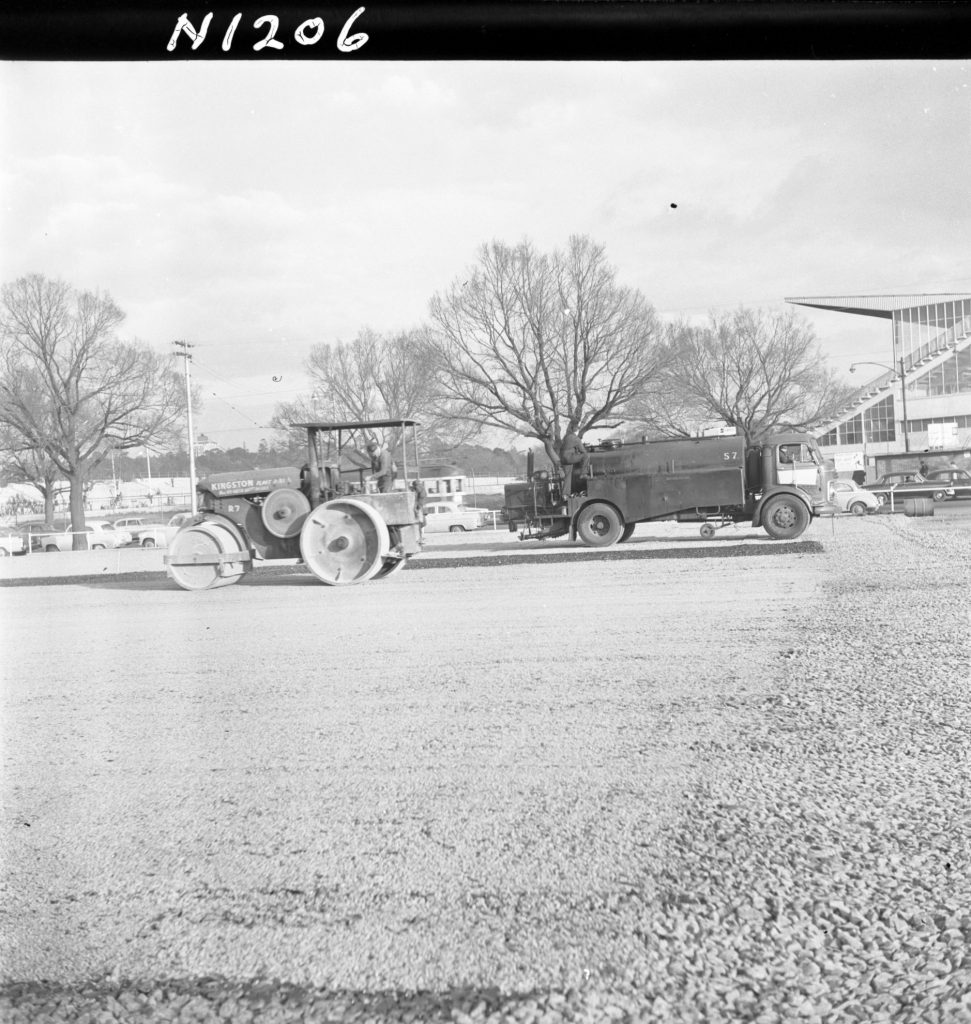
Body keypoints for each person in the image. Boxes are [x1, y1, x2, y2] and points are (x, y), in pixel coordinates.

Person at [559, 428, 590, 497]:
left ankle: (565, 494)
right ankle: (583, 473)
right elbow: (583, 451)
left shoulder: (566, 437)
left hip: (562, 458)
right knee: (586, 456)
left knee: (568, 476)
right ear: (576, 431)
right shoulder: (576, 439)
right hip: (569, 458)